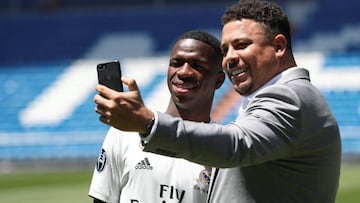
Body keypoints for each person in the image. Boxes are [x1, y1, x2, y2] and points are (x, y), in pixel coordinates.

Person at [93, 0, 342, 202]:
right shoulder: (284, 98)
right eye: (225, 50)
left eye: (242, 45)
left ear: (278, 46)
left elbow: (237, 144)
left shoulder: (289, 97)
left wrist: (149, 123)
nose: (230, 58)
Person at [89, 30, 225, 203]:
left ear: (218, 80)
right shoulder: (126, 131)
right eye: (176, 63)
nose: (183, 72)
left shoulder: (221, 148)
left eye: (197, 66)